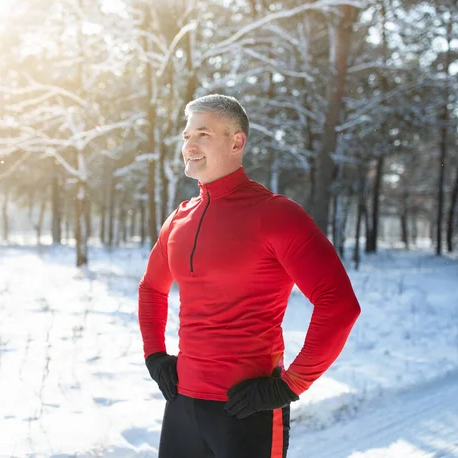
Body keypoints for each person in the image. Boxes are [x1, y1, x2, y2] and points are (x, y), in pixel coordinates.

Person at [138, 94, 360, 458]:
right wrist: (155, 356)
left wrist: (290, 385)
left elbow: (339, 304)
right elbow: (151, 289)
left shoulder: (276, 215)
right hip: (182, 405)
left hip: (247, 409)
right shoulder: (180, 218)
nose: (190, 145)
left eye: (203, 134)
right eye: (186, 135)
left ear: (237, 141)